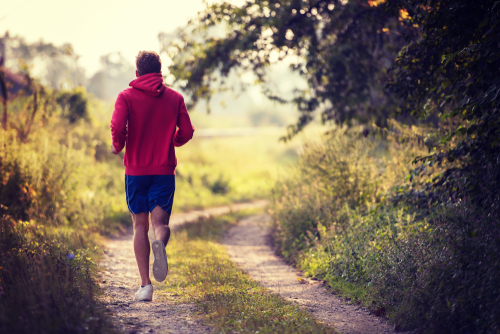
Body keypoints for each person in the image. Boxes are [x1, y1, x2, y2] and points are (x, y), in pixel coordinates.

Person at [110, 51, 194, 301]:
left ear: (137, 73)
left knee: (139, 225)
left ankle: (145, 286)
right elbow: (187, 131)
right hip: (163, 171)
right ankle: (160, 244)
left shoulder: (126, 96)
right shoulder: (175, 98)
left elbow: (117, 126)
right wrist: (173, 141)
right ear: (160, 71)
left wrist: (118, 144)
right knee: (160, 225)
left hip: (136, 172)